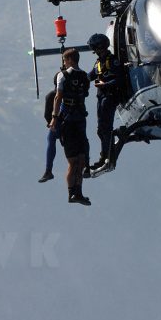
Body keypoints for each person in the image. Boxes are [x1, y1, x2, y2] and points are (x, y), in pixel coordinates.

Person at [55, 48, 91, 205]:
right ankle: (73, 193)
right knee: (79, 160)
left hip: (70, 121)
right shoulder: (84, 77)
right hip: (78, 120)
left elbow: (58, 97)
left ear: (69, 59)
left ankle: (77, 193)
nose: (63, 63)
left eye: (64, 60)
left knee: (76, 161)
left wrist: (54, 118)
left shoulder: (62, 76)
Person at [87, 32, 122, 171]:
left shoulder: (112, 61)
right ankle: (104, 156)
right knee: (101, 129)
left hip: (110, 97)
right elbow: (90, 76)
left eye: (94, 48)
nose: (94, 51)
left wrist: (105, 85)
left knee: (105, 128)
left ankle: (107, 157)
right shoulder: (99, 63)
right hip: (101, 98)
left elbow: (120, 79)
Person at [38, 80, 59, 183]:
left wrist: (50, 123)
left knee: (51, 140)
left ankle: (48, 170)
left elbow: (47, 114)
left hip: (56, 124)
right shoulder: (70, 92)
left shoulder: (51, 95)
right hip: (70, 122)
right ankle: (86, 163)